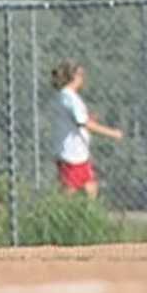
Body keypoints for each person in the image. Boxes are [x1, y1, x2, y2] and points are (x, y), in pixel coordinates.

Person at [50, 59, 123, 199]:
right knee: (68, 194)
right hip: (71, 155)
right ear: (73, 77)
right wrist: (113, 133)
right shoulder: (70, 98)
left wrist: (89, 119)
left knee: (91, 188)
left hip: (79, 154)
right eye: (81, 75)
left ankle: (86, 217)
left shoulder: (66, 96)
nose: (83, 78)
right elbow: (83, 123)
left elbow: (79, 120)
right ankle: (57, 215)